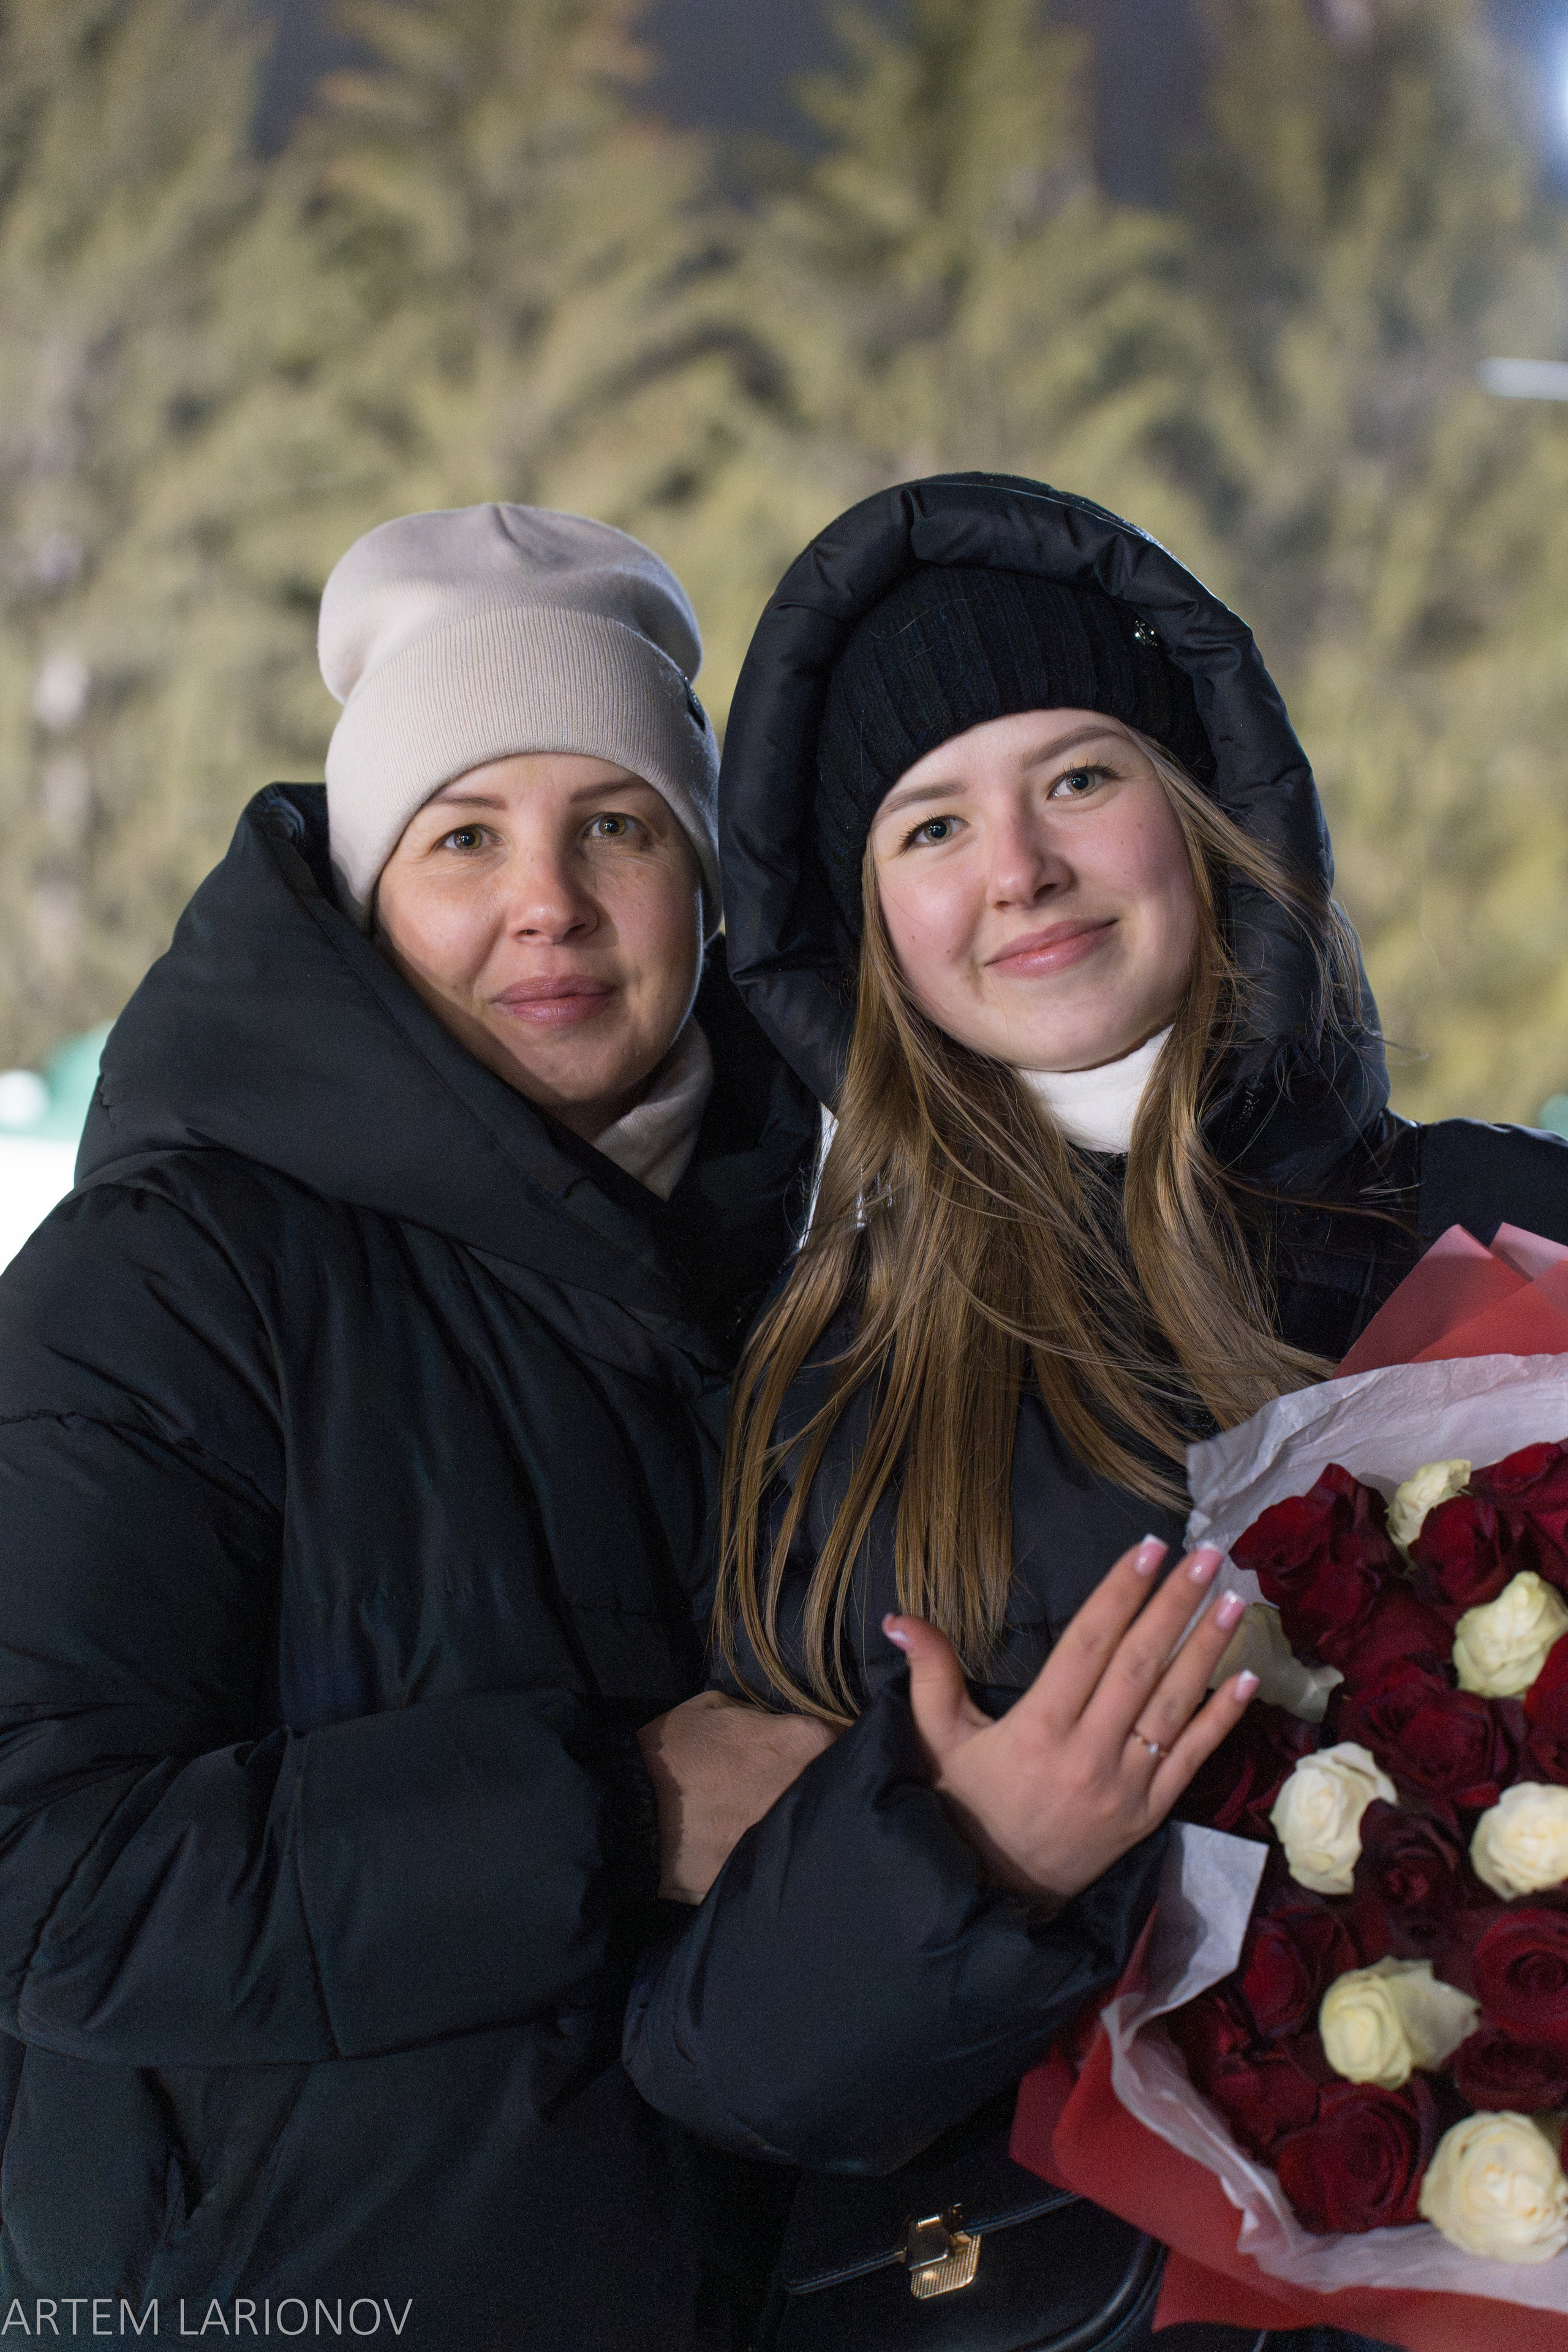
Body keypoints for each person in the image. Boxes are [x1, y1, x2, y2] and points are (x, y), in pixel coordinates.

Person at [624, 473, 1568, 2350]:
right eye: (931, 822)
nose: (1021, 871)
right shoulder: (830, 1394)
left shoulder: (1503, 1224)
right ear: (864, 920)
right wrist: (973, 1861)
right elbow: (732, 2078)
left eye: (1077, 778)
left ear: (1203, 809)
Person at [0, 504, 831, 2350]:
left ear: (705, 882)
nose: (549, 899)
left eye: (615, 826)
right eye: (466, 837)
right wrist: (610, 1809)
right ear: (374, 899)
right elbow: (39, 1880)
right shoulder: (173, 1278)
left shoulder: (802, 1284)